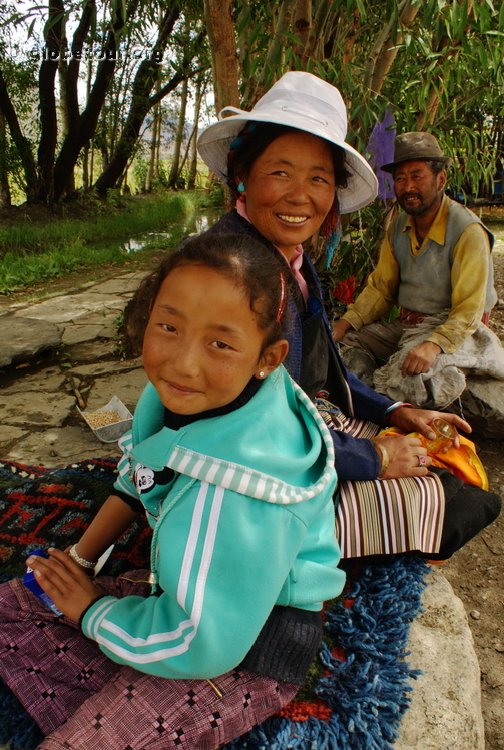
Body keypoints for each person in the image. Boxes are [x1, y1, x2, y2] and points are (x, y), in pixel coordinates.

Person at [0, 233, 344, 750]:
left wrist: (92, 613)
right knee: (15, 609)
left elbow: (204, 642)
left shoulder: (239, 494)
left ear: (268, 357)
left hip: (245, 649)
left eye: (220, 343)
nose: (182, 363)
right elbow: (137, 475)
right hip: (197, 594)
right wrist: (80, 558)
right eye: (169, 327)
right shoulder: (176, 397)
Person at [195, 70, 501, 560]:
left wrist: (395, 411)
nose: (300, 196)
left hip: (441, 333)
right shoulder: (232, 275)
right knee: (452, 505)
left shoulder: (287, 255)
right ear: (241, 175)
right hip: (244, 468)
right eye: (280, 172)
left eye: (318, 178)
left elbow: (464, 313)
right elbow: (246, 430)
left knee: (443, 472)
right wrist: (374, 456)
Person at [332, 131, 504, 409]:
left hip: (454, 328)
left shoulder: (466, 230)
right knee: (344, 346)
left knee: (414, 374)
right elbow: (381, 289)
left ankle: (388, 407)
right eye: (400, 179)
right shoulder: (399, 226)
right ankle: (369, 404)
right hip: (406, 326)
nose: (407, 186)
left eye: (417, 176)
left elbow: (468, 310)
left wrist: (433, 345)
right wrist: (346, 323)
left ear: (440, 180)